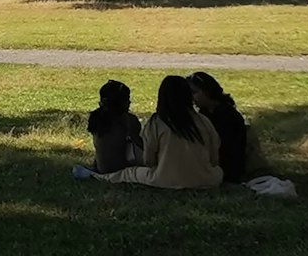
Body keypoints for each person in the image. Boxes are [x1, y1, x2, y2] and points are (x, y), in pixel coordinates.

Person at [77, 75, 219, 188]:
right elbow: (214, 159)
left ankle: (97, 177)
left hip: (166, 180)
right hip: (206, 179)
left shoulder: (156, 122)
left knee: (129, 173)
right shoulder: (204, 121)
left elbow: (149, 161)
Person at [188, 71, 254, 184]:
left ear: (207, 91)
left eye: (194, 92)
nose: (192, 98)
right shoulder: (205, 112)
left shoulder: (227, 115)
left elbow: (223, 146)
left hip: (228, 166)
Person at [87, 80, 144, 175]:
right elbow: (140, 146)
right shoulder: (128, 120)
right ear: (121, 102)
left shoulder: (97, 118)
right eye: (128, 99)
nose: (130, 102)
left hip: (102, 169)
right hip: (121, 170)